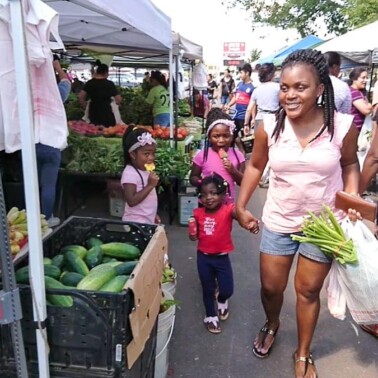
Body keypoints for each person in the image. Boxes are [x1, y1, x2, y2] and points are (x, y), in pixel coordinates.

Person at [236, 49, 359, 378]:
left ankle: (303, 351)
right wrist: (240, 205)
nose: (290, 95)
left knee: (307, 292)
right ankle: (272, 322)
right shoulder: (269, 126)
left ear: (320, 89)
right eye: (285, 87)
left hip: (322, 225)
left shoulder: (342, 126)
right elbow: (255, 166)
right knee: (271, 289)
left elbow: (349, 164)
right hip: (278, 220)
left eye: (300, 87)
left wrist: (353, 198)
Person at [189, 173, 236, 334]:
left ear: (223, 195)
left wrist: (248, 221)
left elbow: (240, 214)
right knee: (207, 288)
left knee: (227, 289)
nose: (209, 197)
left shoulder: (228, 210)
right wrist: (192, 235)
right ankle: (210, 316)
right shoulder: (197, 213)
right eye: (204, 194)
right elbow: (194, 234)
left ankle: (222, 299)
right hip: (204, 257)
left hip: (222, 258)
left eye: (214, 193)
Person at [36, 56, 71, 227]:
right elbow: (66, 82)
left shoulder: (26, 91)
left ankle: (29, 217)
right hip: (50, 143)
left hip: (29, 143)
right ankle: (47, 218)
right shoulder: (55, 93)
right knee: (48, 185)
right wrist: (57, 68)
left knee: (31, 182)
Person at [189, 108, 245, 204]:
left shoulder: (238, 155)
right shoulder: (202, 155)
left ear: (232, 136)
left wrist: (233, 171)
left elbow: (243, 182)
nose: (221, 140)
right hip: (206, 203)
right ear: (209, 137)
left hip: (227, 204)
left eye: (226, 136)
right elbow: (193, 177)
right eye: (216, 136)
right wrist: (202, 183)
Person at [121, 127, 160, 224]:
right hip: (135, 222)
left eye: (153, 153)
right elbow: (131, 201)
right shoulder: (130, 174)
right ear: (133, 155)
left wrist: (153, 214)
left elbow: (147, 200)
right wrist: (150, 185)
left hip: (146, 219)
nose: (151, 158)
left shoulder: (144, 169)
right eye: (146, 154)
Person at [78, 61, 122, 127]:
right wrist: (117, 104)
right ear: (106, 72)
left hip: (93, 111)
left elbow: (80, 96)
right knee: (108, 131)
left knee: (94, 130)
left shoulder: (90, 83)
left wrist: (85, 106)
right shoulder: (109, 84)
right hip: (106, 111)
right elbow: (118, 99)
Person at [225, 63, 255, 155]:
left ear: (247, 73)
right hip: (236, 116)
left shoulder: (252, 88)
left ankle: (245, 156)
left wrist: (253, 118)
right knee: (232, 135)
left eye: (241, 72)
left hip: (245, 117)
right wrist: (229, 105)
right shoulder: (239, 85)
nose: (240, 74)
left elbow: (254, 105)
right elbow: (236, 97)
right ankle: (240, 151)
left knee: (246, 138)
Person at [245, 63, 280, 131]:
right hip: (273, 119)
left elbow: (249, 109)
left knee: (259, 141)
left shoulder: (256, 90)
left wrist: (246, 124)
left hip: (259, 119)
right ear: (272, 74)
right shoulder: (278, 87)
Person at [349, 67, 372, 132]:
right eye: (363, 78)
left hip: (362, 130)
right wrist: (370, 105)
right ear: (354, 79)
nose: (365, 80)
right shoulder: (353, 92)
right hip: (355, 131)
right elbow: (366, 110)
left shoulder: (361, 92)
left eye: (366, 78)